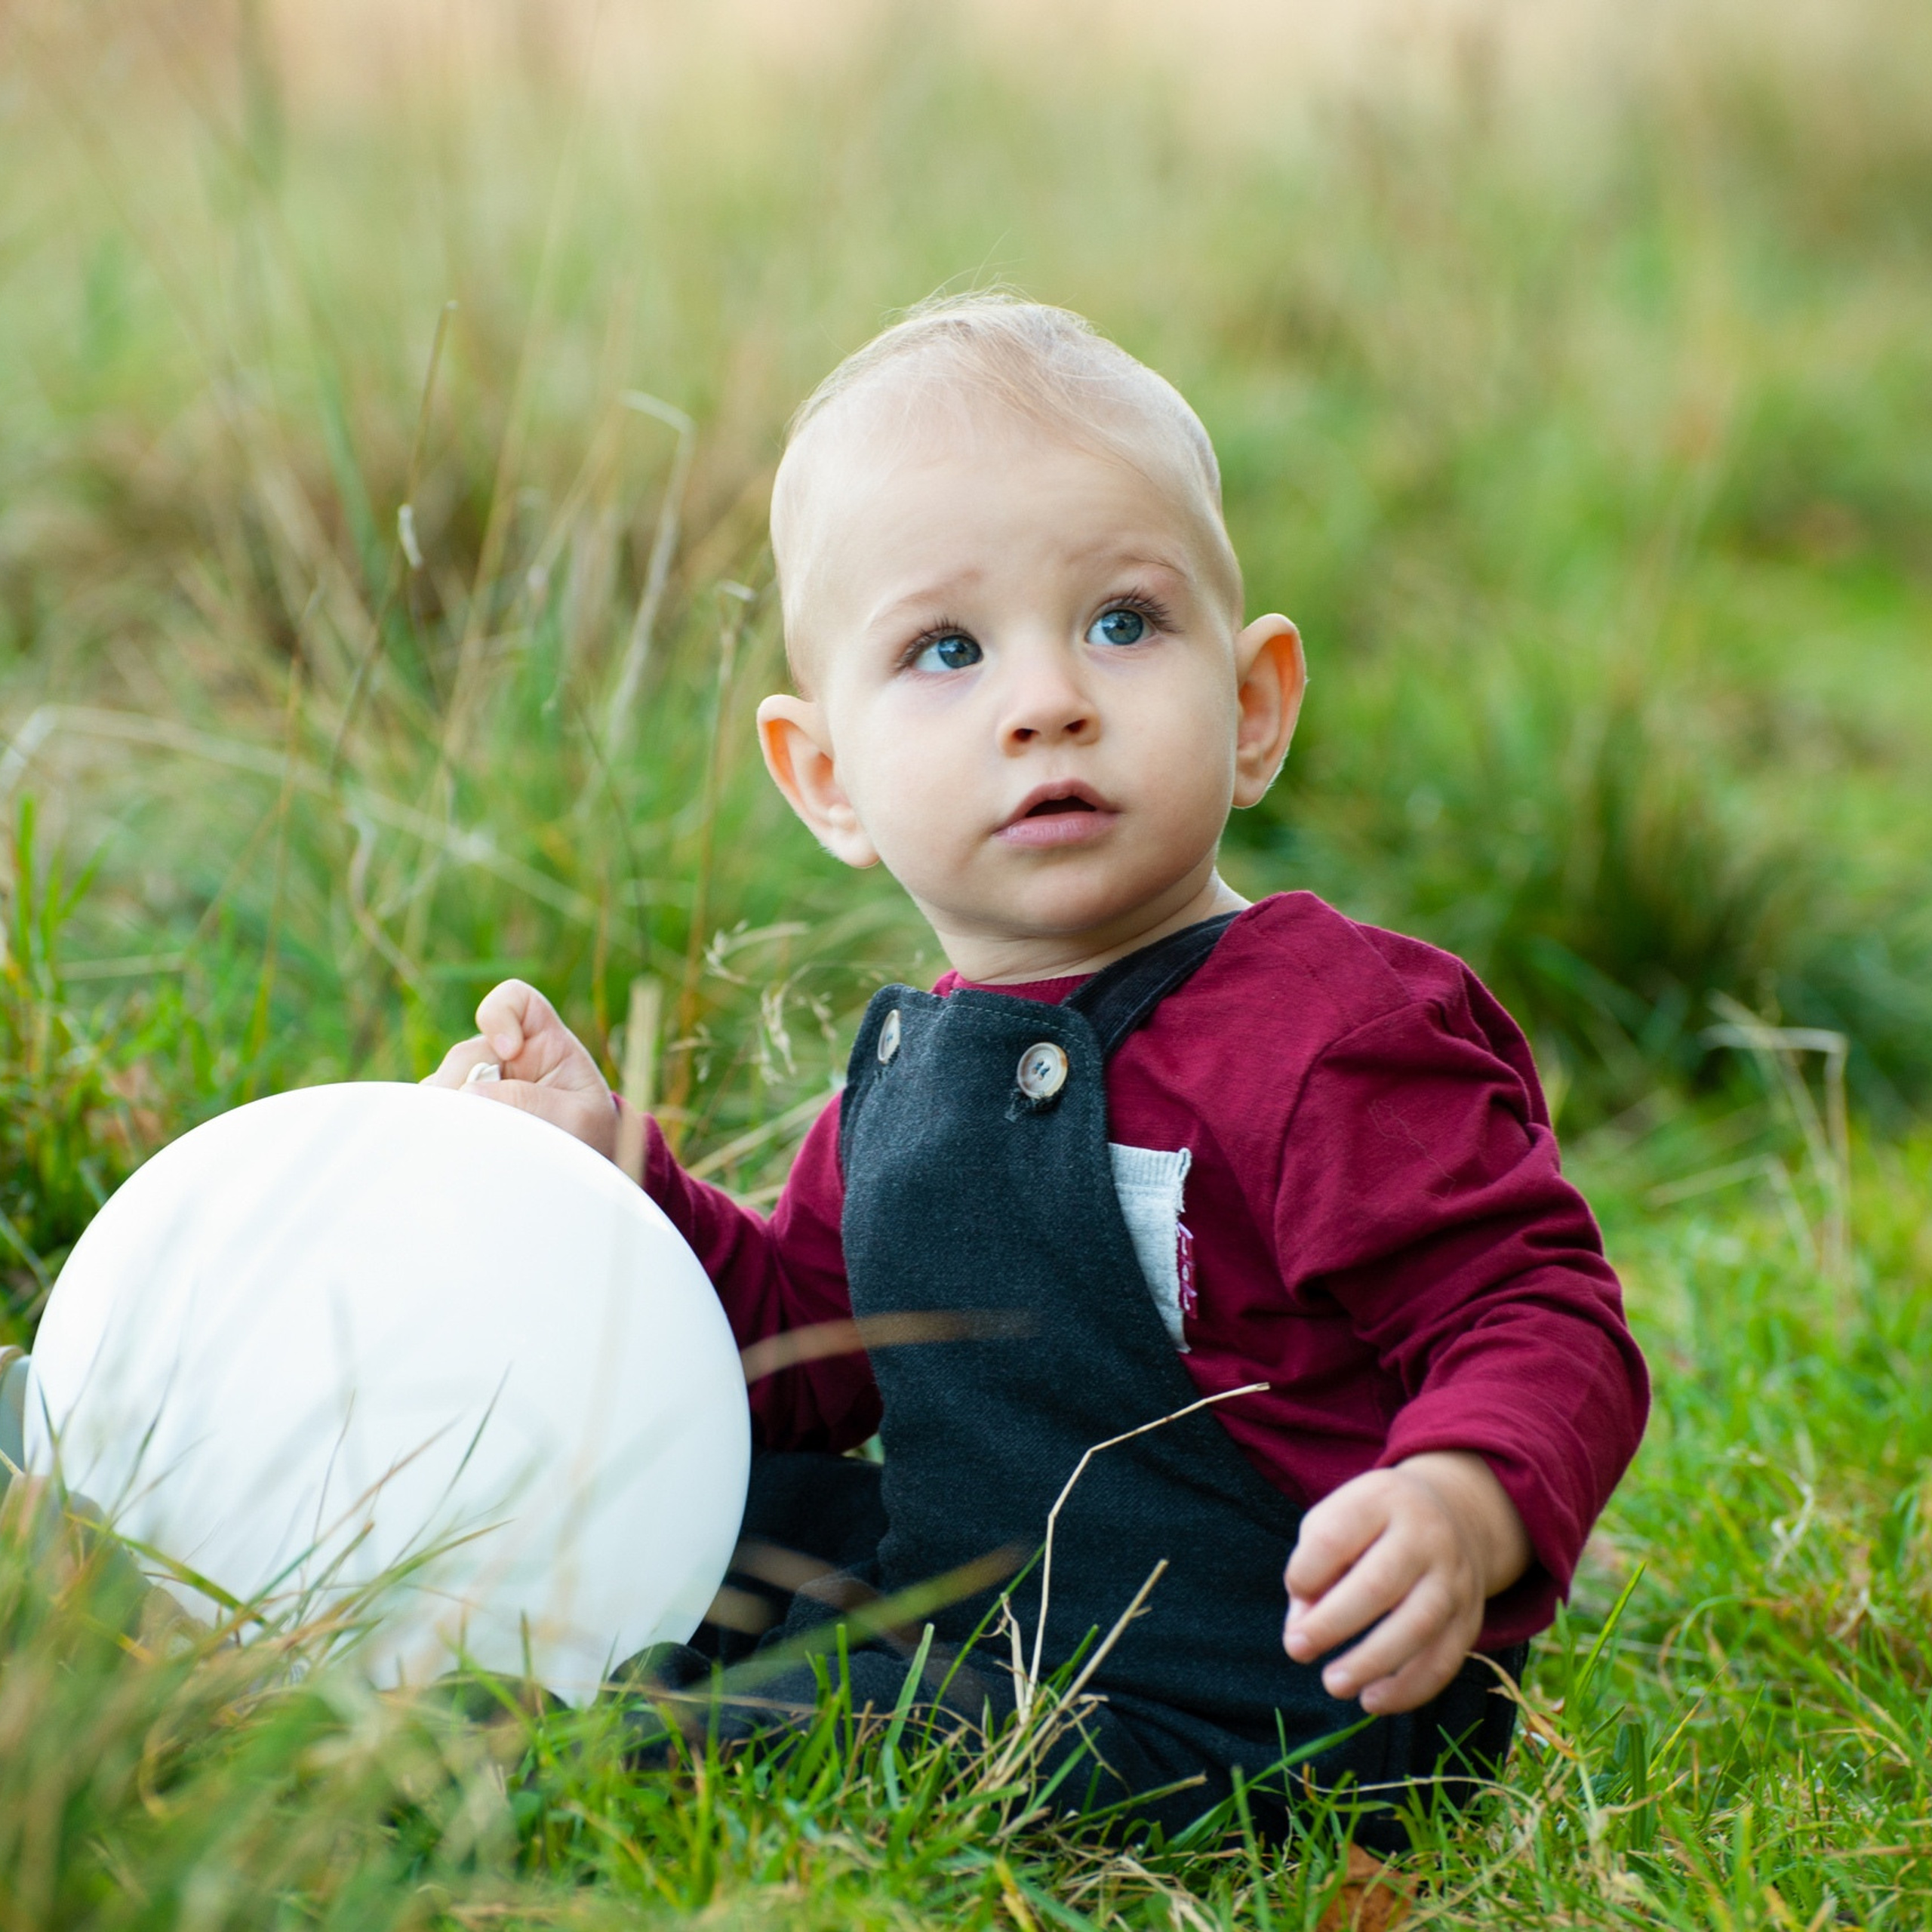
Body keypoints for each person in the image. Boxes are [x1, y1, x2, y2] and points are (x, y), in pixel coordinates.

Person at [426, 294, 1648, 1846]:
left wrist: (1461, 1496)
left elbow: (1535, 1310)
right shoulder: (912, 1062)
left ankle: (517, 1763)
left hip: (1245, 1688)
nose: (1046, 698)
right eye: (945, 648)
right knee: (693, 1513)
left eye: (1122, 621)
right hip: (977, 1597)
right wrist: (623, 1178)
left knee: (807, 1725)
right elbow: (807, 1353)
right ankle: (355, 1578)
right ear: (826, 778)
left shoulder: (1330, 1029)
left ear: (1253, 703)